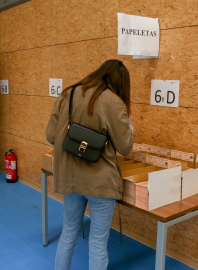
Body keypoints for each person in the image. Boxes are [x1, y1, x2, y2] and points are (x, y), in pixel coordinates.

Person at [46, 59, 133, 270]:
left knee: (68, 233)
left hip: (70, 178)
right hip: (100, 183)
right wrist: (129, 124)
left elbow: (50, 136)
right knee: (97, 243)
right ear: (120, 84)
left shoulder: (68, 93)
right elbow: (125, 147)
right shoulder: (113, 102)